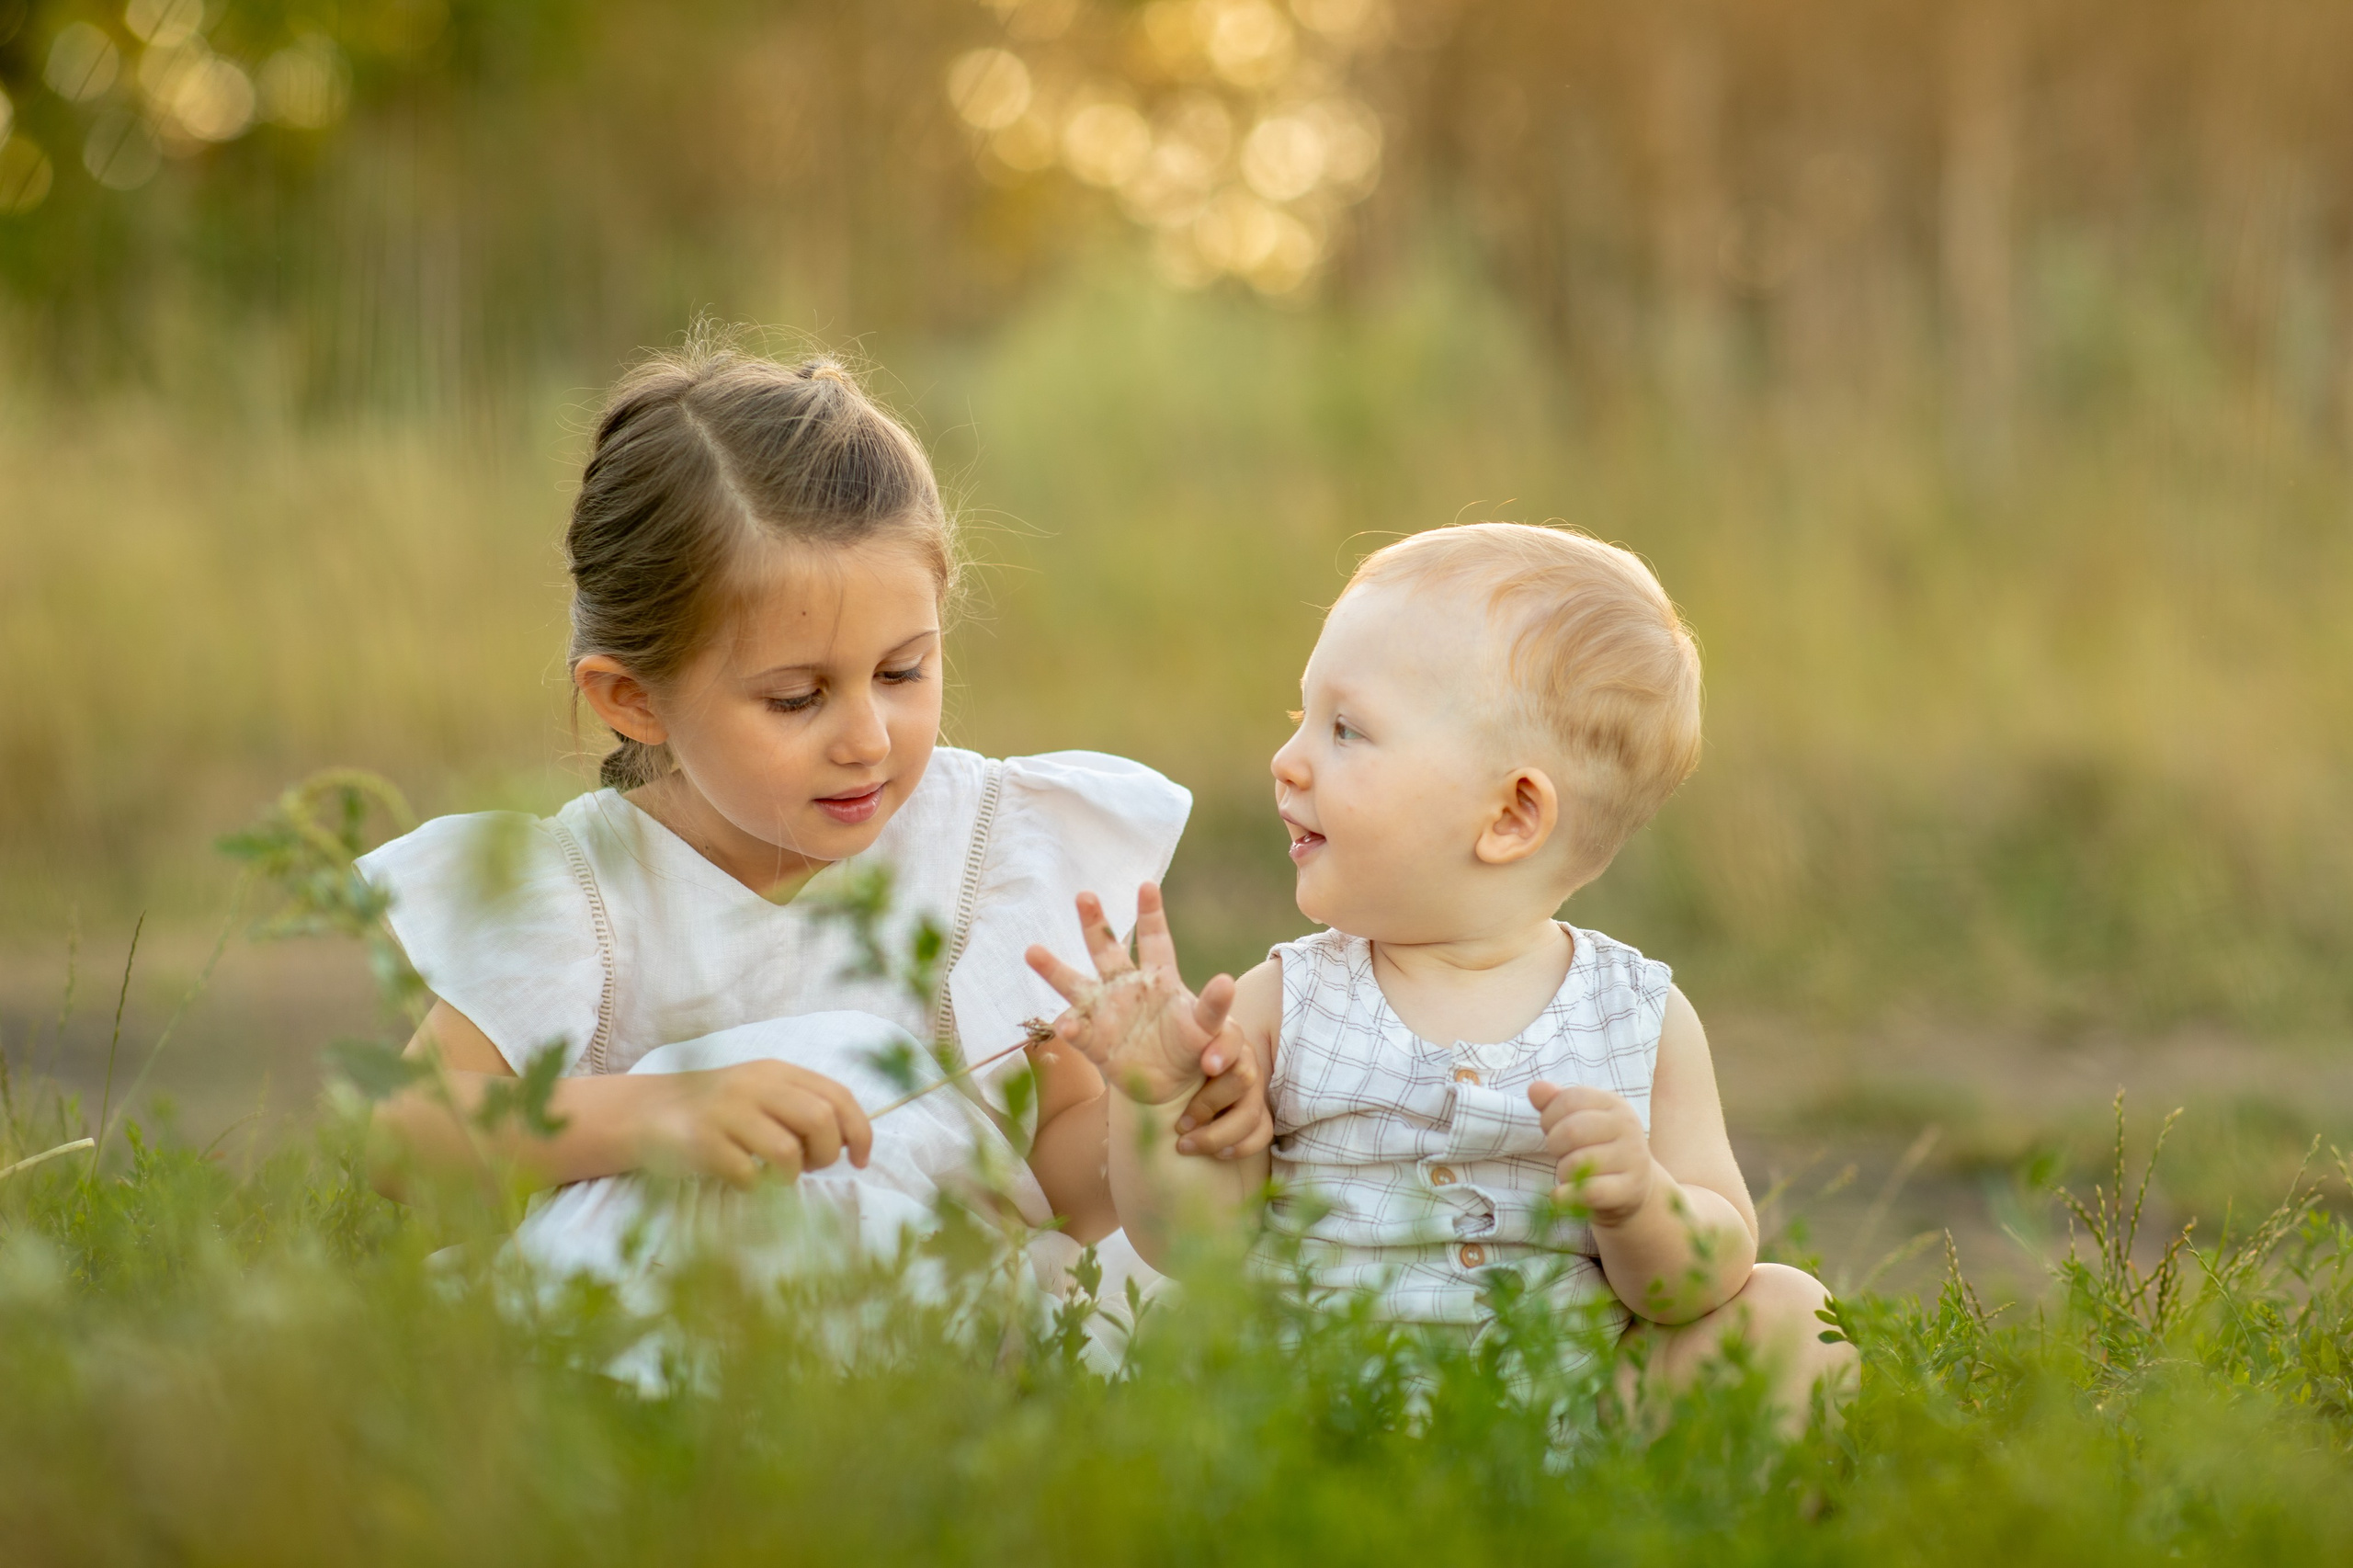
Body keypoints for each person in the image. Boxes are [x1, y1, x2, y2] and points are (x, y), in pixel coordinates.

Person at [358, 335, 1266, 1271]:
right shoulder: (591, 895)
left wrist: (1148, 1107)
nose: (867, 736)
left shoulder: (991, 853)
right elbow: (404, 1134)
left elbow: (1053, 1183)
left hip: (950, 1339)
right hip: (682, 1347)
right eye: (797, 697)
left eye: (902, 670)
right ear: (634, 699)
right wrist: (656, 1112)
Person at [1028, 522, 1857, 1431]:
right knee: (1142, 1326)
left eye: (1344, 728)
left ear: (1509, 815)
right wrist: (1153, 1099)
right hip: (1318, 1427)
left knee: (1792, 1319)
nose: (1287, 758)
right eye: (1297, 716)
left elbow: (1708, 1272)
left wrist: (1643, 1202)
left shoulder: (1641, 1017)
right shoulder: (1282, 1003)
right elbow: (1193, 1245)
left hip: (1570, 1422)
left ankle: (1625, 1508)